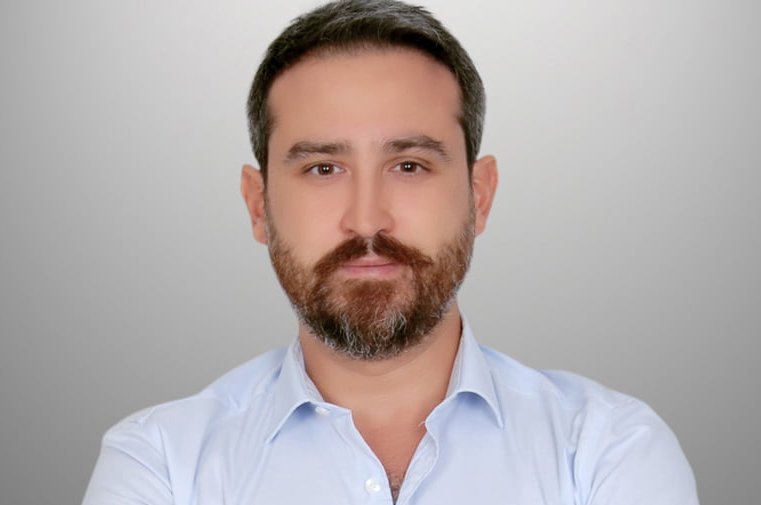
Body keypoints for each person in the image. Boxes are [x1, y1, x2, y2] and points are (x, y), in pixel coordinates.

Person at [82, 1, 699, 503]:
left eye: (409, 165)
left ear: (480, 196)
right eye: (323, 168)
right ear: (257, 206)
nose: (367, 218)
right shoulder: (161, 463)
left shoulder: (608, 450)